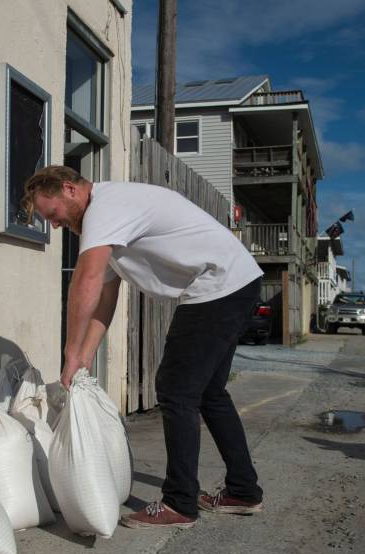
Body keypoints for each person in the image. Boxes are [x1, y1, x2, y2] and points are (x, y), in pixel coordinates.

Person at [21, 165, 265, 529]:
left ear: (70, 189)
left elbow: (85, 280)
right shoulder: (109, 220)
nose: (54, 225)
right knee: (210, 394)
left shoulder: (105, 208)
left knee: (176, 390)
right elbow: (105, 293)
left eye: (53, 214)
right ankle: (243, 490)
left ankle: (180, 503)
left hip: (217, 286)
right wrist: (84, 357)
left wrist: (69, 350)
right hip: (235, 282)